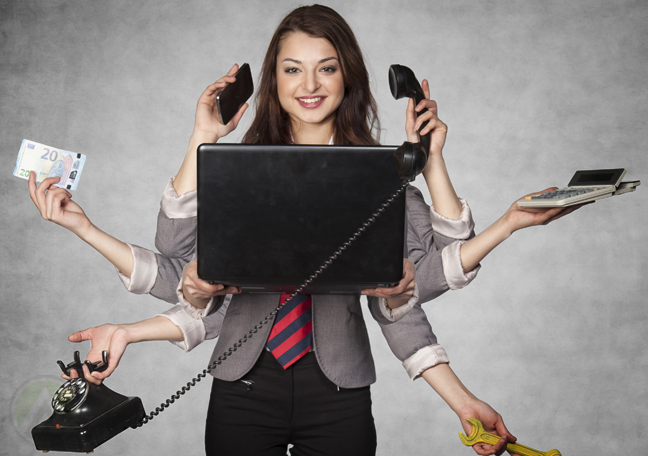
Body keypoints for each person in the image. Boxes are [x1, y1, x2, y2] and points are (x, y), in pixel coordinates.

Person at [29, 5, 584, 456]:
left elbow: (419, 284)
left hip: (339, 397)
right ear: (274, 78)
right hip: (241, 393)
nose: (310, 84)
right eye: (292, 68)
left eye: (327, 66)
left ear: (349, 76)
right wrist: (200, 141)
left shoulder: (379, 173)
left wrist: (442, 168)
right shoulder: (238, 170)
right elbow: (180, 265)